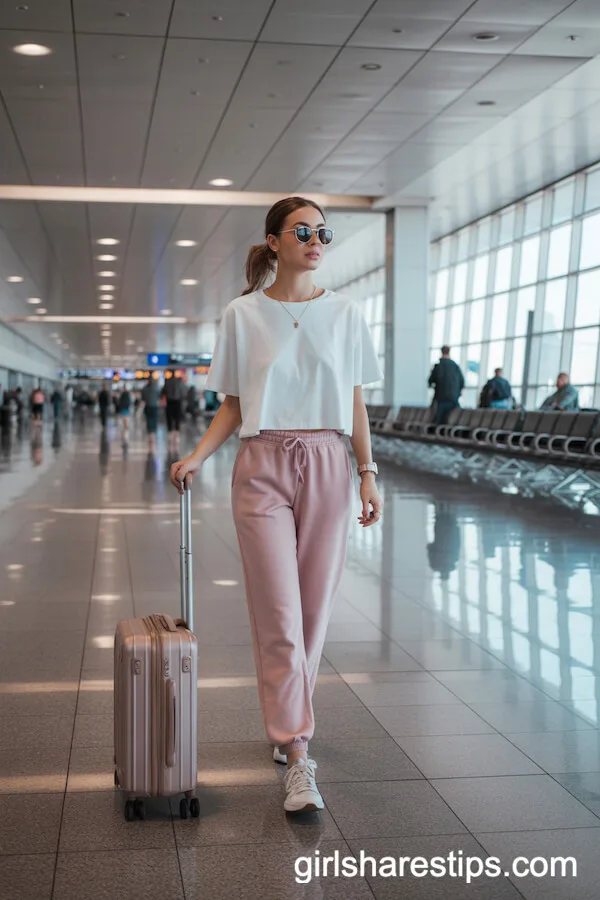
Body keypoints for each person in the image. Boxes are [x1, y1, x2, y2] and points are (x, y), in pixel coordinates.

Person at [169, 196, 384, 815]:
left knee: (312, 615)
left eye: (324, 231)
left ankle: (291, 720)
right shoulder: (242, 315)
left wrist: (367, 474)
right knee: (280, 616)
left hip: (328, 463)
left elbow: (353, 402)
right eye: (303, 230)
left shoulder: (345, 313)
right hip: (261, 465)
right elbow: (234, 404)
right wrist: (196, 457)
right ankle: (297, 753)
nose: (317, 239)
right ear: (274, 241)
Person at [428, 346, 464, 424]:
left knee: (439, 420)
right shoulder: (455, 366)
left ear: (441, 352)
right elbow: (462, 382)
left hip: (441, 398)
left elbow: (430, 381)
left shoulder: (438, 366)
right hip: (454, 398)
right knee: (454, 419)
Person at [162, 371, 186, 451]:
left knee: (169, 419)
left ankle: (170, 436)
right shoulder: (179, 382)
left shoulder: (167, 382)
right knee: (177, 419)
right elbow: (183, 393)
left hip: (169, 402)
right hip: (177, 402)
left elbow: (163, 392)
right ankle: (176, 436)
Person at [141, 377, 159, 450]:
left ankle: (150, 435)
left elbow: (143, 398)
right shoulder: (156, 388)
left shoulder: (145, 389)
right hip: (154, 406)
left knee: (149, 420)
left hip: (148, 406)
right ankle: (153, 435)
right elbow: (159, 396)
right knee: (154, 420)